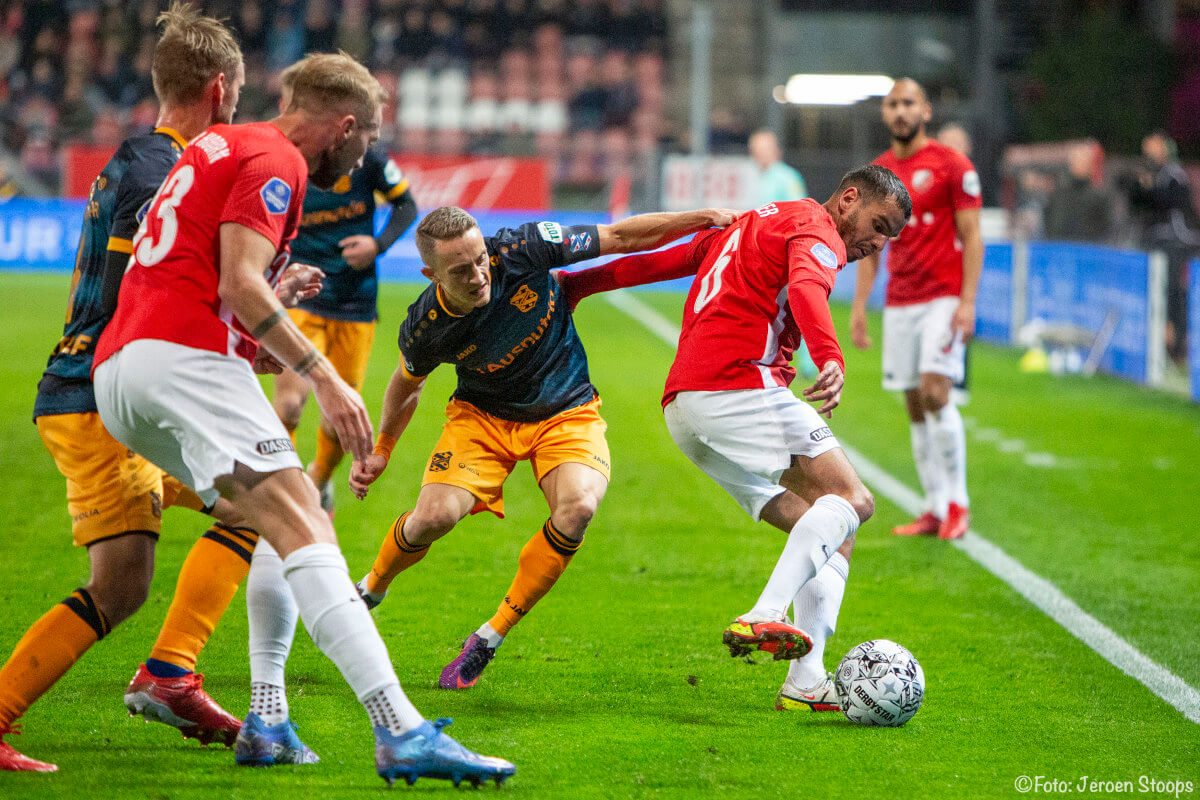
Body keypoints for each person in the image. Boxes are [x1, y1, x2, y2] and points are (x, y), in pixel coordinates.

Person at [90, 52, 514, 786]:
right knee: (307, 522)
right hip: (180, 362)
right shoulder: (275, 158)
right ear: (345, 125)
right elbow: (237, 281)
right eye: (368, 135)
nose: (366, 153)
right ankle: (401, 730)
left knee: (267, 523)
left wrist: (266, 300)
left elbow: (203, 281)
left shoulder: (220, 146)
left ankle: (267, 716)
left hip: (124, 368)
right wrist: (324, 379)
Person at [553, 166, 911, 713]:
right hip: (736, 386)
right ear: (848, 199)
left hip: (685, 409)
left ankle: (805, 679)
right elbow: (812, 291)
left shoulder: (759, 221)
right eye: (878, 224)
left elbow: (671, 259)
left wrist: (583, 283)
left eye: (890, 236)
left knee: (830, 528)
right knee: (854, 500)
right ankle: (764, 612)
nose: (877, 243)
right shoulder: (816, 229)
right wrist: (830, 355)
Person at [0, 5, 254, 772]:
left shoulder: (143, 161)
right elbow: (141, 285)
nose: (239, 104)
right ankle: (157, 676)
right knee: (120, 586)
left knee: (258, 500)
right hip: (102, 396)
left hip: (113, 391)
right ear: (218, 89)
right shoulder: (160, 171)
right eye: (239, 90)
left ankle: (173, 672)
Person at [348, 204, 738, 691]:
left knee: (577, 508)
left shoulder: (522, 248)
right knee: (433, 518)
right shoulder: (426, 325)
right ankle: (370, 588)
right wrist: (383, 448)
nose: (478, 275)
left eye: (479, 259)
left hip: (566, 410)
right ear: (430, 274)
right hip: (482, 418)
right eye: (460, 270)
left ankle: (490, 637)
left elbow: (618, 236)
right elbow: (406, 386)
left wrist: (706, 217)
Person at [270, 61, 419, 517]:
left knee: (342, 414)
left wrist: (378, 244)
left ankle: (318, 479)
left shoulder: (370, 159)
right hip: (302, 298)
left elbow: (406, 205)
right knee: (291, 406)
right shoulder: (290, 162)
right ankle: (285, 487)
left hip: (355, 301)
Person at [850, 78, 983, 541]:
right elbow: (870, 247)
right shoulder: (879, 174)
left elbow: (973, 237)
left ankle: (957, 504)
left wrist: (967, 302)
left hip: (942, 297)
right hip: (901, 301)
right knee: (913, 403)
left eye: (908, 103)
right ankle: (932, 506)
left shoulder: (952, 165)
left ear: (925, 110)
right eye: (892, 104)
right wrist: (861, 306)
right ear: (884, 113)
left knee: (935, 391)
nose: (900, 111)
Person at [1127, 131, 1200, 364]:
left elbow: (1171, 202)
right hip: (1150, 241)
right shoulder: (1146, 174)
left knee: (1174, 293)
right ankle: (1158, 345)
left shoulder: (1175, 175)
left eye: (1152, 148)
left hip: (1175, 243)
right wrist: (1142, 189)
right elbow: (1135, 201)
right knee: (1153, 291)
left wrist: (1148, 191)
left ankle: (1177, 346)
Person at [1044, 142, 1112, 243]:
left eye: (1084, 161)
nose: (1080, 164)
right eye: (1077, 160)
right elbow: (1050, 224)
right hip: (1059, 250)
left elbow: (1106, 229)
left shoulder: (1099, 197)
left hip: (1088, 252)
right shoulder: (1058, 195)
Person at [749, 129, 807, 207]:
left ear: (775, 150)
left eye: (764, 149)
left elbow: (798, 207)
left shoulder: (788, 177)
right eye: (756, 150)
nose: (759, 154)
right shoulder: (751, 176)